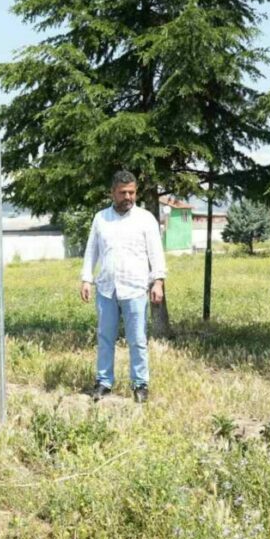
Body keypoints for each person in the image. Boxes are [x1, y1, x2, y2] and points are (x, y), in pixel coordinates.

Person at [79, 170, 167, 403]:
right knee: (105, 337)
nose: (128, 197)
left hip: (135, 289)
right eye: (123, 193)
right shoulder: (101, 219)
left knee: (137, 339)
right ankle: (104, 382)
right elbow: (92, 251)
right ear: (112, 193)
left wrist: (157, 281)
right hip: (106, 289)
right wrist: (87, 278)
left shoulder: (145, 219)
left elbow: (156, 252)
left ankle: (140, 384)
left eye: (132, 192)